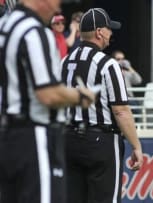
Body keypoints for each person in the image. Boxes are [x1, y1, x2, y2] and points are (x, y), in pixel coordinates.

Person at [0, 0, 96, 202]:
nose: (58, 7)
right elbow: (47, 94)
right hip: (34, 136)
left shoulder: (5, 26)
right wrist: (80, 96)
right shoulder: (34, 32)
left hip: (8, 134)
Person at [61, 8, 144, 203]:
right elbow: (121, 110)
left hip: (67, 140)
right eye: (108, 29)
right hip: (101, 141)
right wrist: (136, 146)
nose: (111, 34)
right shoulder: (108, 64)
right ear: (99, 32)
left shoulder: (64, 61)